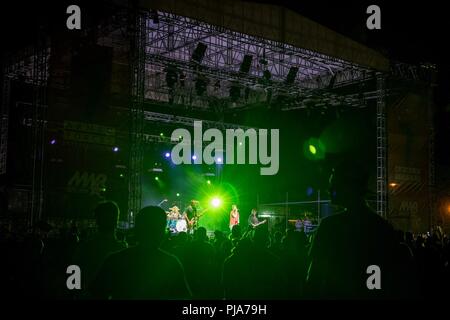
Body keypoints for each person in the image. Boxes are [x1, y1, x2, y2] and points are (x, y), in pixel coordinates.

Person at [305, 161, 417, 299]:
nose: (329, 189)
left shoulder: (330, 226)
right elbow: (384, 277)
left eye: (334, 184)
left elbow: (314, 277)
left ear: (349, 187)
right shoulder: (382, 227)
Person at [90, 206, 191, 299]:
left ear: (137, 229)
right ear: (161, 232)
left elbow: (95, 294)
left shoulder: (115, 259)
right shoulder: (171, 263)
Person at [72, 201, 127, 293]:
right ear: (116, 220)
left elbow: (73, 273)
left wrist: (75, 294)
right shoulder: (122, 250)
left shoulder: (85, 247)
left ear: (97, 220)